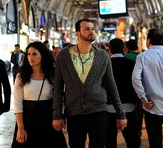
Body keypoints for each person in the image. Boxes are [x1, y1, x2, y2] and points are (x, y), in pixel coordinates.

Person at [52, 19, 127, 148]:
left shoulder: (103, 56)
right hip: (74, 111)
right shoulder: (63, 56)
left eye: (92, 28)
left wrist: (120, 113)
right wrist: (57, 114)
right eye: (86, 29)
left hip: (98, 110)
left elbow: (111, 85)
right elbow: (58, 87)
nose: (91, 31)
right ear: (77, 33)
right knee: (76, 145)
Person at [12, 42, 67, 147]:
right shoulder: (21, 76)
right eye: (28, 54)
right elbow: (17, 103)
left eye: (34, 54)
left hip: (48, 119)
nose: (30, 57)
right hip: (28, 119)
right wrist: (20, 128)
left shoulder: (53, 74)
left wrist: (59, 116)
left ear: (42, 55)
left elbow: (59, 97)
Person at [105, 38, 140, 148]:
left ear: (109, 50)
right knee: (132, 140)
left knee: (109, 140)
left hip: (108, 108)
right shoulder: (132, 64)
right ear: (124, 50)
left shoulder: (105, 66)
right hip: (129, 107)